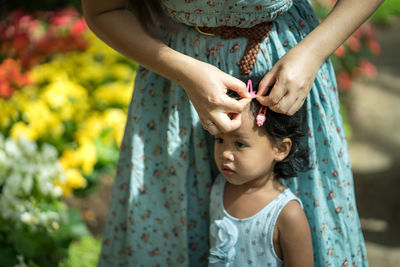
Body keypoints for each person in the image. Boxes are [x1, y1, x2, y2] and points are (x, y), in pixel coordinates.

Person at [81, 0, 384, 266]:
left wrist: (312, 53)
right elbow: (103, 9)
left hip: (286, 75)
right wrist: (184, 72)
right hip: (176, 88)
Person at [209, 78, 313, 266]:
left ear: (280, 149)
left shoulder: (288, 214)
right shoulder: (220, 186)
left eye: (240, 144)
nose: (225, 153)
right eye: (219, 140)